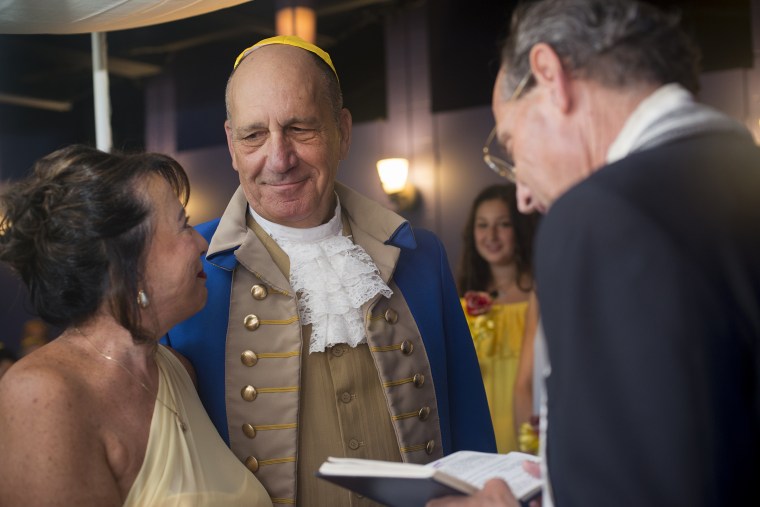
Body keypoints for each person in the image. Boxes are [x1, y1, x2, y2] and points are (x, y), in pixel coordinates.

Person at [430, 0, 760, 506]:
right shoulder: (741, 169)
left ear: (549, 76)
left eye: (511, 144)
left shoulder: (599, 215)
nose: (521, 195)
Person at [164, 34, 495, 506]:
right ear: (231, 146)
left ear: (342, 130)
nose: (279, 159)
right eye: (254, 135)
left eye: (301, 128)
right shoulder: (187, 269)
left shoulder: (422, 256)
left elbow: (470, 427)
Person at [0, 145, 272, 506]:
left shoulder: (180, 373)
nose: (201, 243)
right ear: (126, 264)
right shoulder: (42, 395)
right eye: (183, 225)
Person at [456, 183, 539, 453]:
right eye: (482, 225)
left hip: (524, 429)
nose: (491, 235)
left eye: (503, 224)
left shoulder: (539, 295)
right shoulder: (459, 299)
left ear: (520, 229)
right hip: (474, 434)